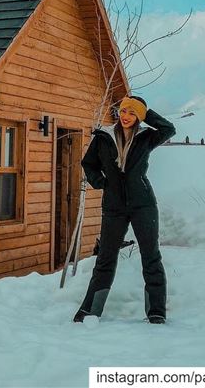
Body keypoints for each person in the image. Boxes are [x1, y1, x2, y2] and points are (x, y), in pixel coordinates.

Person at [73, 95, 176, 324]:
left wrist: (145, 111)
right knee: (105, 258)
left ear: (138, 116)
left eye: (132, 113)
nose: (126, 116)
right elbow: (88, 164)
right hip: (114, 207)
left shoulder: (146, 137)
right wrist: (101, 182)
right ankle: (90, 309)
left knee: (151, 256)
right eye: (123, 111)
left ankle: (156, 311)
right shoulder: (103, 137)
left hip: (144, 205)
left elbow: (169, 129)